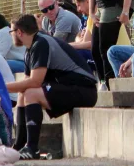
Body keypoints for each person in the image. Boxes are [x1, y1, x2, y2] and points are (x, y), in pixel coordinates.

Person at [6, 14, 97, 160]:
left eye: (11, 32)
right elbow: (27, 83)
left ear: (19, 32)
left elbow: (35, 82)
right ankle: (19, 145)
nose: (11, 36)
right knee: (24, 93)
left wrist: (2, 88)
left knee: (31, 94)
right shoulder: (31, 48)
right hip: (69, 87)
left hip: (84, 90)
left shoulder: (41, 43)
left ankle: (32, 148)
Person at [69, 0, 94, 64]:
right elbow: (83, 40)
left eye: (79, 5)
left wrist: (69, 46)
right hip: (102, 53)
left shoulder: (98, 16)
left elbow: (92, 44)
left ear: (87, 1)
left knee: (77, 53)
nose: (78, 10)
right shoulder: (90, 17)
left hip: (112, 54)